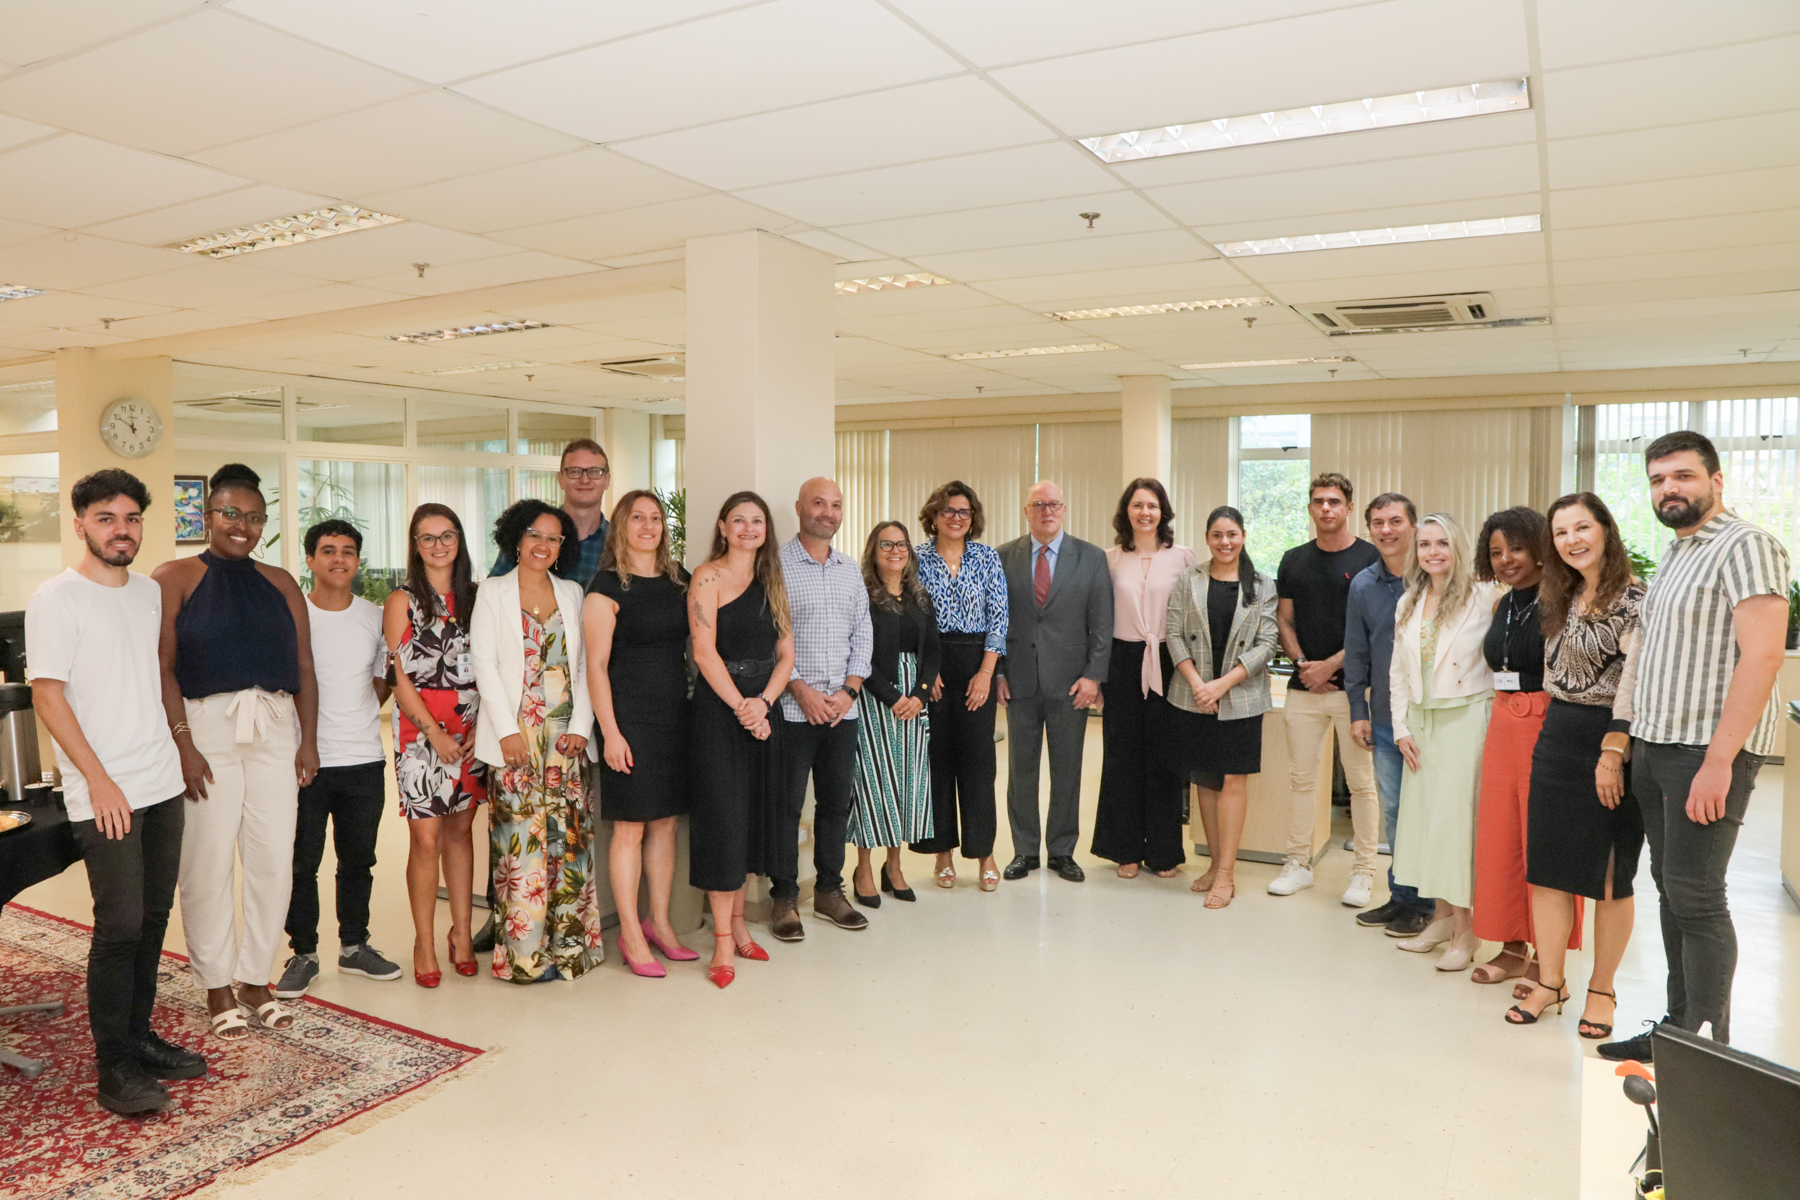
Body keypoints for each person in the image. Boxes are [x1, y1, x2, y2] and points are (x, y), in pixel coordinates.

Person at [1599, 432, 1789, 1062]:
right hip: (1657, 746)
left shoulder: (1747, 545)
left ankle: (1706, 1051)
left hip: (1705, 754)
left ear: (1717, 480)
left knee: (1698, 894)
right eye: (1657, 480)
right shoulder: (1679, 552)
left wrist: (1718, 761)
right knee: (1672, 888)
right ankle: (1677, 1029)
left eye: (1682, 476)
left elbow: (1762, 656)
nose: (1668, 489)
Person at [28, 469, 204, 1114]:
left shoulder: (147, 594)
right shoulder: (57, 598)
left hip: (159, 779)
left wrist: (179, 750)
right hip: (105, 789)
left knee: (155, 917)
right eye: (106, 518)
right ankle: (114, 1068)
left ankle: (139, 1037)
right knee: (120, 922)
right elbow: (48, 694)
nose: (120, 530)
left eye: (131, 519)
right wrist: (99, 780)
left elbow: (152, 676)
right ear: (80, 523)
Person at [154, 463, 318, 1039]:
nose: (241, 526)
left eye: (253, 517)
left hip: (274, 727)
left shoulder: (280, 582)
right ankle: (216, 982)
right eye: (230, 514)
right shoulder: (174, 577)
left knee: (274, 859)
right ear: (208, 515)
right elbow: (164, 669)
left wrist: (309, 743)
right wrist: (184, 745)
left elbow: (303, 669)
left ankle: (255, 978)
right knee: (207, 862)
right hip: (206, 730)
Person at [1507, 493, 1646, 1034]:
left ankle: (1602, 990)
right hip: (1558, 734)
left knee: (1610, 874)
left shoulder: (1636, 599)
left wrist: (1614, 750)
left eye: (1582, 527)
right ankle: (1551, 981)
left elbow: (1634, 684)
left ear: (1605, 531)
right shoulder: (1559, 597)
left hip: (1611, 739)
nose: (1572, 540)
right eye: (1561, 532)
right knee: (1547, 872)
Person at [472, 499, 599, 983]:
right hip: (516, 738)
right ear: (516, 540)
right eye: (534, 535)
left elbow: (584, 666)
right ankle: (525, 957)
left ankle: (570, 951)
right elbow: (483, 663)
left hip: (565, 738)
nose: (543, 545)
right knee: (520, 846)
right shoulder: (492, 592)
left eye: (553, 538)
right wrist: (506, 731)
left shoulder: (572, 593)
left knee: (567, 844)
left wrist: (580, 728)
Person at [273, 521, 400, 999]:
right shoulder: (291, 614)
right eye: (327, 551)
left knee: (358, 861)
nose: (339, 559)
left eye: (348, 551)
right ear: (309, 560)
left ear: (358, 561)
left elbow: (383, 678)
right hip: (303, 762)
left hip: (364, 757)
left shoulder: (374, 615)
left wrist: (360, 710)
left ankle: (354, 946)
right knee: (301, 862)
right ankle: (303, 953)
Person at [584, 490, 695, 978]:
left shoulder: (679, 581)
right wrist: (609, 732)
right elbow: (596, 667)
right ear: (621, 527)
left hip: (675, 715)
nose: (648, 526)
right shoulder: (605, 586)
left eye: (655, 518)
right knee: (629, 827)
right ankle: (630, 933)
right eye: (637, 518)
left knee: (666, 823)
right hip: (628, 718)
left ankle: (660, 924)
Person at [687, 491, 795, 988]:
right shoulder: (706, 577)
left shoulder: (774, 580)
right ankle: (724, 945)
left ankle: (737, 925)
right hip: (719, 709)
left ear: (765, 530)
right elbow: (705, 654)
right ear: (723, 527)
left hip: (761, 709)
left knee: (751, 820)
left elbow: (786, 655)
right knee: (723, 822)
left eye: (757, 521)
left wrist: (765, 704)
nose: (749, 528)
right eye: (739, 520)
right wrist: (742, 708)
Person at [1388, 512, 1503, 971]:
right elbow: (1397, 671)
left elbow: (1499, 663)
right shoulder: (1410, 600)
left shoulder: (1484, 596)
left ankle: (1466, 930)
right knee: (1423, 826)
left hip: (1466, 720)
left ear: (1457, 547)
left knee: (1456, 829)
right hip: (1421, 723)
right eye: (1424, 545)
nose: (1432, 552)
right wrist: (1399, 727)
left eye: (1442, 543)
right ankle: (1439, 917)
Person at [1469, 507, 1575, 988]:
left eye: (1515, 548)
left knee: (1545, 842)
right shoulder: (1502, 604)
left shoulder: (1562, 599)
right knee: (1501, 841)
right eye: (1495, 552)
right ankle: (1511, 944)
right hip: (1502, 721)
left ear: (1538, 548)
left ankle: (1545, 956)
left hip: (1547, 722)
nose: (1506, 559)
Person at [385, 503, 486, 987]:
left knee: (460, 833)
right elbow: (397, 676)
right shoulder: (401, 600)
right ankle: (424, 941)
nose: (439, 545)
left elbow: (494, 667)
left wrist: (476, 729)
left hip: (470, 732)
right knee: (426, 839)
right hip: (421, 731)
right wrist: (435, 733)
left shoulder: (478, 597)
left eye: (447, 535)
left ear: (459, 540)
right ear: (416, 545)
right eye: (428, 538)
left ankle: (461, 934)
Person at [1270, 473, 1382, 903]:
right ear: (1311, 508)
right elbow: (1284, 619)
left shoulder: (1372, 557)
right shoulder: (1294, 559)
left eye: (1334, 501)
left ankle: (1365, 871)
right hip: (1304, 690)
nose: (1326, 509)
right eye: (1318, 502)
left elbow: (1376, 627)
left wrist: (1332, 665)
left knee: (1361, 783)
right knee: (1301, 779)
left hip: (1355, 691)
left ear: (1349, 507)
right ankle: (1297, 864)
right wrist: (1303, 665)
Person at [771, 477, 875, 939]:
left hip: (842, 711)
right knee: (787, 806)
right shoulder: (774, 566)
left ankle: (831, 890)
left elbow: (863, 633)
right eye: (819, 503)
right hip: (795, 710)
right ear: (799, 508)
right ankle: (785, 898)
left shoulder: (850, 569)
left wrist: (850, 691)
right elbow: (769, 635)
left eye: (835, 505)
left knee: (836, 804)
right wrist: (798, 689)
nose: (828, 512)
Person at [997, 480, 1113, 883]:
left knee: (1068, 770)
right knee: (1021, 772)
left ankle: (1062, 851)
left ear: (1064, 510)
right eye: (1039, 504)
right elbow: (993, 620)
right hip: (1019, 682)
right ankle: (1024, 851)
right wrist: (996, 672)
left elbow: (1102, 623)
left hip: (1071, 685)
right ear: (1026, 511)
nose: (1047, 511)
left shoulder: (1092, 557)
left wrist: (1094, 676)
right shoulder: (1003, 556)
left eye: (1055, 504)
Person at [1164, 506, 1279, 909]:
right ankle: (1214, 863)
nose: (1224, 542)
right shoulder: (1188, 580)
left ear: (1243, 536)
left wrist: (1222, 685)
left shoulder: (1262, 585)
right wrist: (1199, 685)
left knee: (1232, 780)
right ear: (1207, 538)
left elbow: (1268, 643)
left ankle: (1227, 874)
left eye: (1231, 534)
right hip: (1193, 697)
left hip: (1240, 697)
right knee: (1205, 781)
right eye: (1216, 535)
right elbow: (1174, 635)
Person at [1091, 479, 1196, 879]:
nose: (1145, 512)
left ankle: (1165, 851)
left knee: (1165, 755)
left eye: (1152, 505)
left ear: (1163, 511)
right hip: (1123, 660)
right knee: (1122, 755)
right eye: (1137, 505)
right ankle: (1126, 848)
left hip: (1169, 660)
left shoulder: (1183, 557)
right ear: (1127, 511)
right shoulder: (1110, 559)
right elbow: (1099, 619)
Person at [1345, 494, 1436, 936]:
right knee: (1397, 812)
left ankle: (1432, 902)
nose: (1387, 530)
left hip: (1433, 721)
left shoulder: (1438, 578)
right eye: (1377, 522)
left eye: (1396, 521)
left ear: (1413, 525)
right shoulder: (1363, 585)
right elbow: (1357, 653)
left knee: (1430, 812)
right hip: (1383, 720)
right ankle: (1403, 898)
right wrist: (1356, 710)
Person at [911, 481, 1007, 891]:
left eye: (963, 512)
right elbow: (909, 619)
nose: (955, 518)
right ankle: (943, 855)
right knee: (937, 762)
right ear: (934, 515)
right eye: (948, 510)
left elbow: (999, 620)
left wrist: (986, 674)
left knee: (978, 763)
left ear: (973, 518)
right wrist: (924, 674)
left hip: (975, 666)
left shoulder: (987, 558)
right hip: (932, 665)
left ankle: (985, 854)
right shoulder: (916, 559)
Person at [848, 521, 940, 907]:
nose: (895, 550)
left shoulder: (920, 597)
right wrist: (892, 697)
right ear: (874, 551)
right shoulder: (863, 597)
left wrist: (919, 695)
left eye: (901, 544)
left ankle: (894, 865)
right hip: (875, 699)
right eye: (886, 544)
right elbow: (860, 655)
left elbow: (933, 651)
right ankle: (863, 868)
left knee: (906, 784)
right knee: (873, 786)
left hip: (914, 705)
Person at [489, 438, 612, 586]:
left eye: (595, 472)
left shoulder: (620, 542)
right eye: (574, 471)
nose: (585, 479)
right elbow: (494, 590)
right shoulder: (528, 533)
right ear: (560, 479)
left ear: (607, 480)